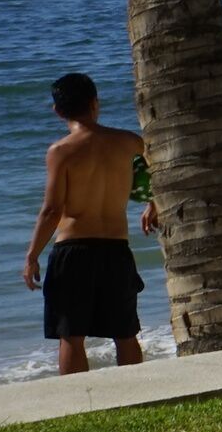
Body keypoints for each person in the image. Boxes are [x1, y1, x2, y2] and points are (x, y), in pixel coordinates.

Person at [22, 73, 156, 374]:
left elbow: (52, 209)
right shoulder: (129, 142)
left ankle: (77, 403)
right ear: (95, 103)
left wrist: (32, 255)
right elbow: (157, 173)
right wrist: (153, 204)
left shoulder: (61, 151)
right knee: (124, 332)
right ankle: (136, 396)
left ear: (58, 111)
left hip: (74, 250)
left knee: (71, 335)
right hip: (116, 248)